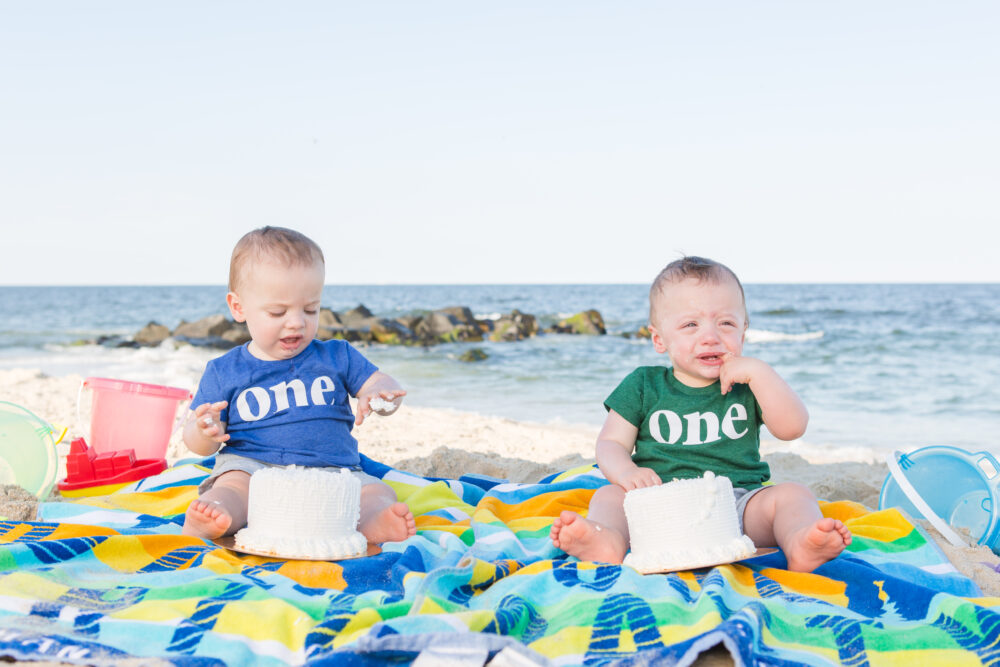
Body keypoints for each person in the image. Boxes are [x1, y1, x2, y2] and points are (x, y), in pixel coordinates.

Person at [550, 256, 851, 573]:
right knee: (609, 496)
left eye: (726, 323)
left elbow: (793, 428)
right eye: (691, 325)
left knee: (793, 494)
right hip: (655, 506)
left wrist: (761, 373)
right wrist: (626, 473)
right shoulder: (643, 384)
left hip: (735, 509)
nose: (711, 336)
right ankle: (606, 541)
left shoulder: (749, 384)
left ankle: (800, 543)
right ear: (659, 339)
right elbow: (610, 443)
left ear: (743, 333)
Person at [181, 226, 416, 545]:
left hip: (333, 473)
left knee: (376, 491)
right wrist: (203, 430)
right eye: (277, 312)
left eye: (310, 309)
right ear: (238, 308)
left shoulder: (338, 355)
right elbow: (199, 444)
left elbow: (380, 383)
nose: (297, 322)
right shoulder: (225, 370)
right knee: (233, 487)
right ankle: (216, 516)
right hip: (255, 470)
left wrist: (381, 393)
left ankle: (375, 522)